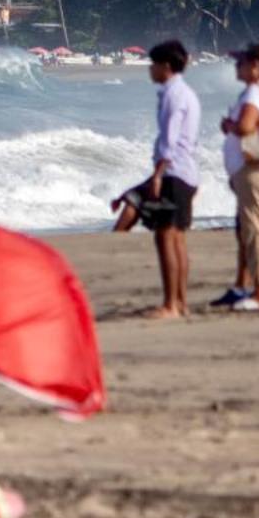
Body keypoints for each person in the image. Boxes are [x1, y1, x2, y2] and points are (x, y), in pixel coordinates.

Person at [109, 39, 202, 319]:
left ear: (165, 66)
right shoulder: (185, 93)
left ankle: (171, 305)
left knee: (166, 237)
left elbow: (169, 141)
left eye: (152, 64)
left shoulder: (174, 95)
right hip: (185, 171)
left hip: (174, 172)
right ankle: (181, 302)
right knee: (177, 239)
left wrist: (157, 176)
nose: (149, 69)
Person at [215, 42, 259, 312]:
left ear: (256, 66)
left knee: (257, 231)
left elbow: (246, 126)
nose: (237, 67)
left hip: (255, 170)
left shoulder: (256, 91)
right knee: (253, 229)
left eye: (241, 63)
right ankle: (253, 287)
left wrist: (228, 125)